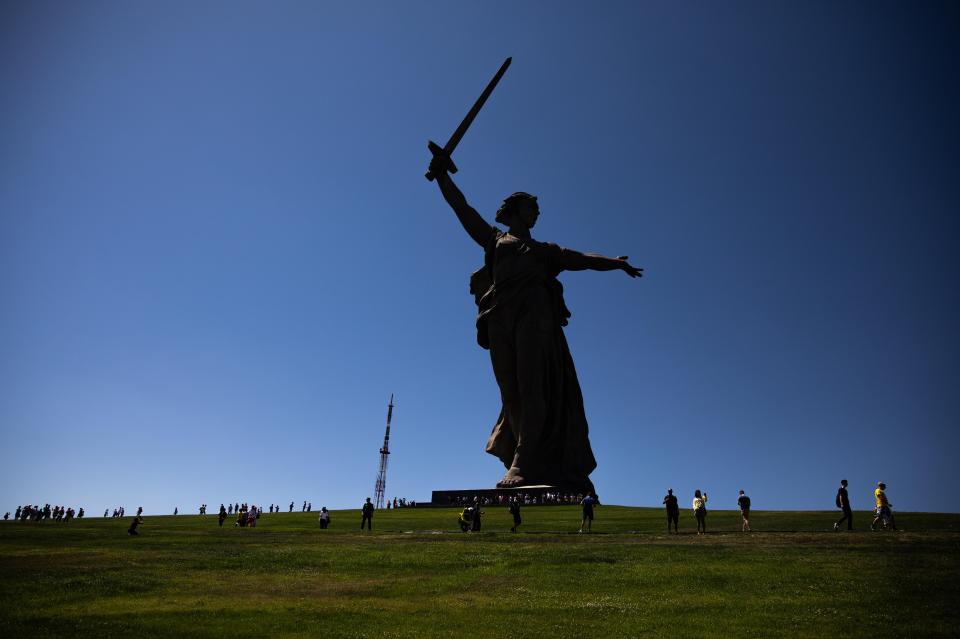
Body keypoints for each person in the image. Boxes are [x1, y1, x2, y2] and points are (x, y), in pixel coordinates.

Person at [428, 156, 642, 492]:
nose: (537, 213)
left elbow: (583, 259)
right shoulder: (496, 240)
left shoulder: (546, 251)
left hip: (535, 320)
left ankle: (523, 461)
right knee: (510, 392)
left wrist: (615, 263)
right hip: (499, 318)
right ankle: (522, 452)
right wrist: (442, 177)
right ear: (515, 210)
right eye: (531, 208)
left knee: (533, 387)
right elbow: (463, 209)